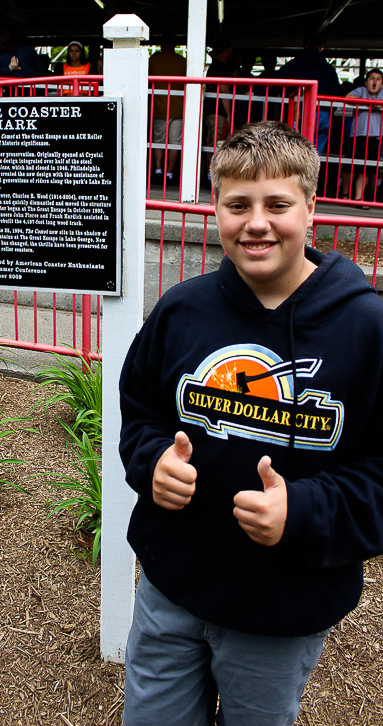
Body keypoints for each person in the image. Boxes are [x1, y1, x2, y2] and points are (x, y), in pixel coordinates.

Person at [119, 120, 383, 726]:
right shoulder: (181, 309)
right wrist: (152, 459)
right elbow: (141, 411)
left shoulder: (367, 330)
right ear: (215, 208)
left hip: (282, 607)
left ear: (312, 208)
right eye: (237, 204)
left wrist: (306, 510)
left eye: (277, 204)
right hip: (171, 585)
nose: (256, 223)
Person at [276, 34, 341, 154]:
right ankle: (312, 172)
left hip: (298, 112)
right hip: (322, 113)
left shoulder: (295, 64)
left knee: (296, 151)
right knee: (315, 154)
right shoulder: (329, 69)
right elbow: (336, 94)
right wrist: (327, 110)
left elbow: (276, 80)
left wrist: (258, 92)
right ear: (319, 47)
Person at [148, 34, 187, 184]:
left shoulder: (154, 60)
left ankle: (158, 170)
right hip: (178, 108)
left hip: (159, 106)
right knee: (175, 142)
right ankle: (169, 173)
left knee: (158, 140)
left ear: (163, 44)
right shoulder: (183, 62)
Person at [341, 68, 383, 207]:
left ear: (382, 83)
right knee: (350, 167)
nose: (375, 81)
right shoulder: (361, 90)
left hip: (376, 136)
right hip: (357, 134)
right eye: (372, 78)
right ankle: (345, 195)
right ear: (366, 81)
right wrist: (368, 102)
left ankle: (359, 198)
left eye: (378, 79)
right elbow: (348, 97)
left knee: (366, 169)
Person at [203, 38, 233, 181]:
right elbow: (224, 90)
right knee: (216, 142)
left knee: (211, 142)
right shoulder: (221, 67)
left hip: (211, 111)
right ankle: (212, 176)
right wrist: (229, 114)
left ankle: (209, 175)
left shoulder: (213, 66)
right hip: (218, 112)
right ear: (226, 50)